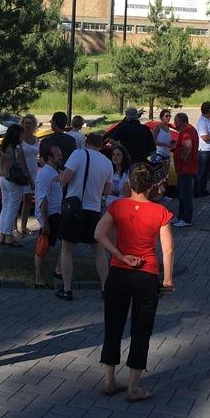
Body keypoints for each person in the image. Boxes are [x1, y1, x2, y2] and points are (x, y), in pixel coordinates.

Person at [95, 163, 175, 402]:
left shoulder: (118, 206)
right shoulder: (160, 212)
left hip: (119, 273)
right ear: (152, 186)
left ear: (129, 184)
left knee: (113, 325)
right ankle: (133, 387)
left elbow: (98, 234)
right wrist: (167, 279)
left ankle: (110, 381)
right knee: (141, 329)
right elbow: (168, 250)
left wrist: (120, 256)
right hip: (146, 275)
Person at [57, 132, 114, 301]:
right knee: (98, 249)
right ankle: (105, 287)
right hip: (94, 209)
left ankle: (67, 289)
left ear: (85, 142)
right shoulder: (107, 163)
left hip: (75, 208)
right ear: (101, 145)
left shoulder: (78, 154)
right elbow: (107, 190)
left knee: (67, 248)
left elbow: (65, 178)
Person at [33, 145, 64, 288]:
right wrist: (45, 221)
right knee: (43, 248)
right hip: (50, 215)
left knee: (65, 242)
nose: (61, 157)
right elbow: (42, 198)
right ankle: (39, 280)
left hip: (56, 214)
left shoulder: (53, 172)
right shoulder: (45, 173)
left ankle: (57, 271)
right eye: (58, 155)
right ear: (50, 158)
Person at [0, 124, 28, 247]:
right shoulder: (17, 148)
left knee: (5, 206)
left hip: (3, 178)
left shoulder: (3, 147)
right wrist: (30, 181)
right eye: (22, 134)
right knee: (12, 208)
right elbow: (23, 167)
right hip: (14, 180)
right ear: (17, 135)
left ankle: (2, 235)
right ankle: (9, 236)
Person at [171, 113, 199, 228]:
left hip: (186, 169)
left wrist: (183, 156)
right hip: (184, 169)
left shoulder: (187, 131)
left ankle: (186, 219)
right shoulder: (190, 129)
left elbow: (188, 145)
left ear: (182, 121)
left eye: (176, 122)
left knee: (185, 195)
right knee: (182, 195)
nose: (175, 124)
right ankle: (180, 216)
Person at [17, 114, 41, 240]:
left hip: (33, 172)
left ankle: (24, 226)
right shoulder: (19, 139)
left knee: (28, 200)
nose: (27, 125)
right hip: (21, 173)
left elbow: (39, 157)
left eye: (30, 123)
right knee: (17, 201)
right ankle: (14, 227)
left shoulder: (36, 139)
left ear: (34, 125)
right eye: (25, 123)